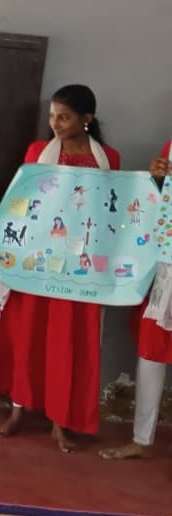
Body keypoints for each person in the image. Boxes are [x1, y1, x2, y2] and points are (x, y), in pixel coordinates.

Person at [0, 84, 120, 452]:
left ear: (87, 120)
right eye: (52, 116)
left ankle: (61, 421)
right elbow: (20, 198)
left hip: (80, 273)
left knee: (68, 344)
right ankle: (18, 412)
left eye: (64, 117)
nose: (55, 123)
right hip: (38, 266)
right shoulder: (38, 153)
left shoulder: (109, 161)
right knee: (28, 339)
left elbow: (111, 213)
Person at [101, 146, 172, 461]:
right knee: (151, 351)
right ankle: (142, 440)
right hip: (166, 264)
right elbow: (157, 200)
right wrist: (157, 178)